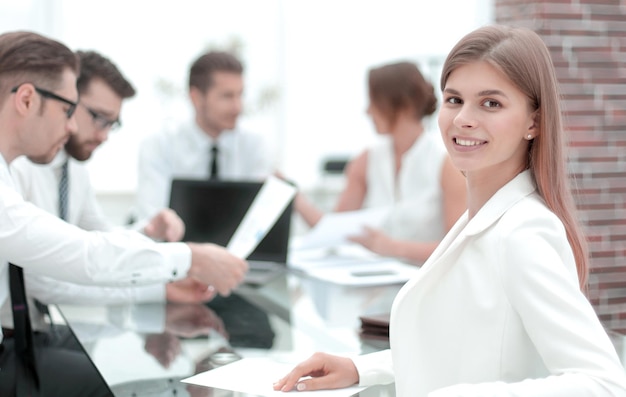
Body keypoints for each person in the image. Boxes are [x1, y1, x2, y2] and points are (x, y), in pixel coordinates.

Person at [273, 25, 626, 396]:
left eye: (491, 103)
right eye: (454, 100)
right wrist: (360, 368)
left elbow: (602, 383)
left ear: (533, 122)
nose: (463, 119)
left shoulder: (523, 232)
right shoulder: (481, 220)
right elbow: (462, 346)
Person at [0, 31, 248, 396]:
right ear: (26, 99)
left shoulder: (46, 169)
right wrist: (189, 258)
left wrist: (148, 236)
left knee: (135, 368)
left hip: (29, 329)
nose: (72, 127)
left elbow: (93, 240)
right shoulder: (18, 173)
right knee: (112, 381)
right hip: (14, 340)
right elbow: (77, 257)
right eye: (70, 110)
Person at [3, 50, 206, 332]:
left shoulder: (74, 171)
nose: (104, 135)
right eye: (99, 118)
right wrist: (180, 267)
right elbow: (44, 278)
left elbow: (97, 239)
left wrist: (148, 232)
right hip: (19, 336)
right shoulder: (20, 166)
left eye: (112, 123)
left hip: (46, 327)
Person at [294, 61, 466, 265]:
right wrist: (295, 198)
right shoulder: (366, 160)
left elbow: (457, 249)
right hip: (375, 285)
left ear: (401, 105)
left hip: (426, 286)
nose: (367, 112)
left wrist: (392, 247)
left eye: (374, 101)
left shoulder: (446, 164)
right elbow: (334, 231)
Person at [134, 50, 274, 221]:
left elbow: (258, 220)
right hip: (174, 246)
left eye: (240, 95)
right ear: (196, 98)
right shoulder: (159, 146)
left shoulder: (254, 146)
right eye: (227, 96)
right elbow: (152, 219)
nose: (237, 107)